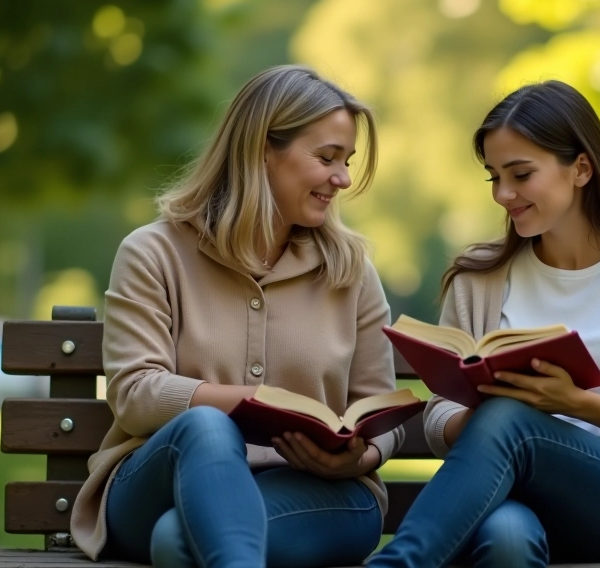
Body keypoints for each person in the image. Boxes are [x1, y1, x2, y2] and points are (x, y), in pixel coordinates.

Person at [368, 80, 600, 567]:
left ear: (582, 168)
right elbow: (440, 418)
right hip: (517, 500)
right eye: (493, 176)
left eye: (521, 174)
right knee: (506, 540)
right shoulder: (479, 278)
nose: (503, 194)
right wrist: (488, 406)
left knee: (513, 419)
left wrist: (572, 403)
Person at [69, 64, 403, 568]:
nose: (344, 178)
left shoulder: (351, 271)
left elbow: (381, 409)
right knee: (206, 428)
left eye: (348, 160)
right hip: (158, 484)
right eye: (328, 158)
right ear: (262, 150)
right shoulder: (153, 253)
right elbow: (135, 395)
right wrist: (251, 404)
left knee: (180, 542)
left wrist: (362, 456)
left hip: (319, 496)